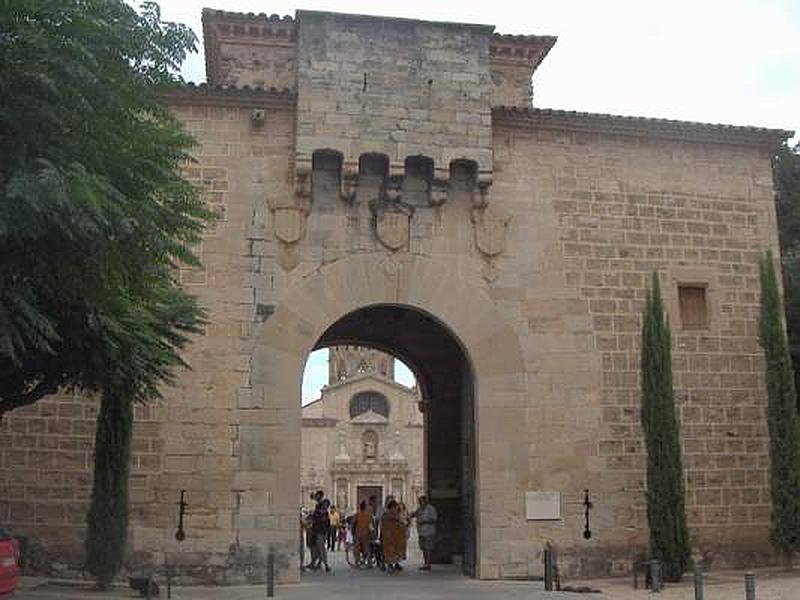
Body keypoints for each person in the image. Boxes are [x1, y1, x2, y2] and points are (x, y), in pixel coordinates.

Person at [411, 495, 437, 571]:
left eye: (421, 501)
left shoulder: (431, 509)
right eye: (419, 502)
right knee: (423, 548)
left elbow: (434, 520)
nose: (420, 503)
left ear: (425, 501)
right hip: (421, 532)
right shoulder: (419, 509)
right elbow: (413, 514)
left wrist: (424, 522)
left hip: (429, 531)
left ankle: (428, 564)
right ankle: (425, 563)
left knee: (428, 548)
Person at [380, 499, 406, 573]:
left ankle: (394, 564)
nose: (396, 508)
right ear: (392, 507)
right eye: (395, 507)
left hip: (395, 537)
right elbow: (399, 520)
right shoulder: (387, 514)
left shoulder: (394, 514)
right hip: (389, 537)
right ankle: (390, 565)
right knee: (390, 551)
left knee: (395, 551)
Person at [310, 498, 332, 572]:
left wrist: (327, 533)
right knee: (317, 549)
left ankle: (325, 565)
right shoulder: (318, 513)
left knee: (321, 549)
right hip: (317, 532)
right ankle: (317, 564)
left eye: (327, 505)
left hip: (322, 533)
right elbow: (314, 522)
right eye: (325, 505)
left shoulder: (325, 513)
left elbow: (328, 524)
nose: (325, 506)